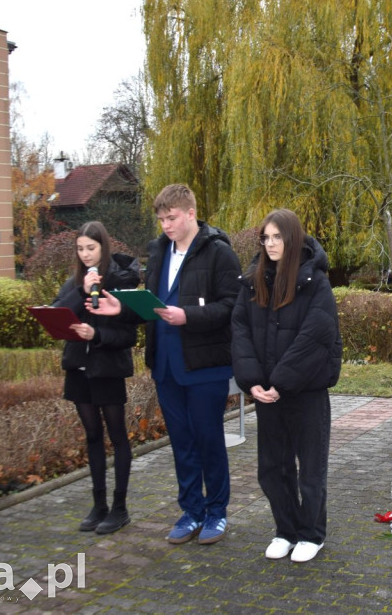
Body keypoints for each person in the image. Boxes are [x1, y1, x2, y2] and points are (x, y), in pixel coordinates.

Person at [92, 184, 241, 545]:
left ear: (191, 213)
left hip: (204, 366)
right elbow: (152, 305)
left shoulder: (219, 253)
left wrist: (189, 316)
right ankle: (191, 511)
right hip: (166, 366)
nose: (166, 225)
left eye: (171, 218)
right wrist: (121, 308)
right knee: (182, 443)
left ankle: (216, 512)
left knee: (208, 440)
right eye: (161, 219)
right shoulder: (158, 251)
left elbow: (232, 307)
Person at [231, 208, 342, 563]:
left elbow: (316, 336)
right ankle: (286, 530)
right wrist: (253, 382)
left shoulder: (316, 282)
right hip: (267, 394)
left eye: (277, 236)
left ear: (292, 238)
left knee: (310, 469)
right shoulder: (253, 281)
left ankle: (311, 534)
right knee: (272, 469)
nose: (271, 243)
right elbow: (240, 330)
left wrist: (281, 381)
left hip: (305, 392)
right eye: (266, 237)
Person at [52, 221, 140, 534]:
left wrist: (97, 334)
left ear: (103, 247)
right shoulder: (74, 283)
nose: (86, 254)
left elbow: (129, 335)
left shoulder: (119, 281)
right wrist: (81, 290)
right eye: (80, 249)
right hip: (78, 367)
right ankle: (98, 503)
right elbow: (58, 314)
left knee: (117, 436)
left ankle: (119, 507)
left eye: (91, 248)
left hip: (108, 369)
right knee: (92, 435)